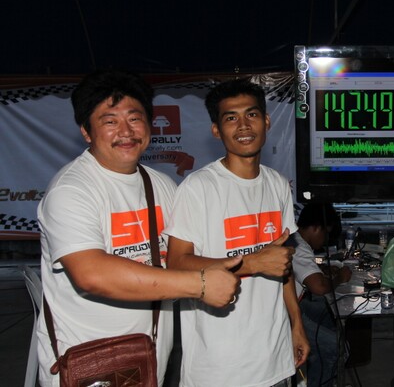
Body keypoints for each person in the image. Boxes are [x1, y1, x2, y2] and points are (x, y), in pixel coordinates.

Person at [36, 69, 241, 387]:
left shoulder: (161, 185)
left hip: (148, 359)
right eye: (109, 121)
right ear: (86, 132)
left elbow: (185, 254)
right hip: (88, 363)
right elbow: (91, 274)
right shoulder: (71, 190)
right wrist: (200, 285)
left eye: (134, 118)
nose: (126, 131)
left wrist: (252, 261)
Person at [165, 78, 310, 387]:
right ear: (216, 130)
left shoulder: (277, 184)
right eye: (231, 118)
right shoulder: (198, 187)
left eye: (251, 114)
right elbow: (177, 264)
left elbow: (281, 264)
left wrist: (296, 324)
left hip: (275, 359)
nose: (243, 125)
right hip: (220, 368)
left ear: (266, 121)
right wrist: (253, 263)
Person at [292, 203, 352, 387]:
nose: (325, 241)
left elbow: (300, 268)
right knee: (338, 348)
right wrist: (340, 278)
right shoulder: (298, 246)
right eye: (326, 234)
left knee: (326, 313)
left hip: (294, 304)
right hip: (288, 314)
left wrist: (320, 268)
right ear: (316, 227)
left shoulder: (294, 239)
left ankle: (319, 366)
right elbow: (318, 287)